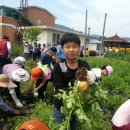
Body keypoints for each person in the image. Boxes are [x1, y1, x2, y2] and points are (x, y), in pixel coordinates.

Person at [53, 33, 91, 130]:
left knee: (73, 126)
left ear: (79, 48)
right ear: (62, 49)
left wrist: (93, 80)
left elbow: (90, 82)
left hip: (76, 106)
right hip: (61, 106)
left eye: (75, 46)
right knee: (59, 127)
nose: (71, 50)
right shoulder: (58, 67)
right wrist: (78, 87)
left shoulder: (84, 65)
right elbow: (58, 88)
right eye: (67, 47)